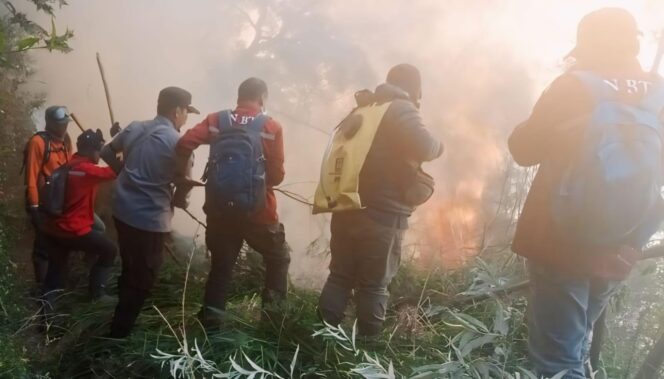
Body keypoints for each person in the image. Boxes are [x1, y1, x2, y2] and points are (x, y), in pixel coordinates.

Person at [508, 8, 664, 378]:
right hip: (623, 240)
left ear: (585, 44)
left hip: (560, 239)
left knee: (557, 360)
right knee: (577, 347)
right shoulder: (658, 93)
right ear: (633, 41)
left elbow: (523, 149)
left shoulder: (574, 86)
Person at [318, 64, 443, 336]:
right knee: (374, 285)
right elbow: (429, 147)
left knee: (339, 276)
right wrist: (441, 145)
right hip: (383, 215)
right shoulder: (401, 108)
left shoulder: (364, 109)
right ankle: (368, 353)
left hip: (346, 206)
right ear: (414, 88)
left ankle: (323, 339)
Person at [175, 77, 290, 327]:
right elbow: (277, 177)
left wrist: (182, 178)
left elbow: (184, 143)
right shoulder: (270, 127)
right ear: (261, 98)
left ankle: (211, 325)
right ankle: (272, 324)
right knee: (278, 259)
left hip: (219, 211)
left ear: (239, 98)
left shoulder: (217, 120)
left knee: (221, 267)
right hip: (259, 213)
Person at [101, 87, 199, 338]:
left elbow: (105, 151)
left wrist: (123, 171)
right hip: (149, 220)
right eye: (186, 112)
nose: (186, 118)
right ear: (176, 110)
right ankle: (119, 334)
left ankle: (120, 312)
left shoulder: (136, 127)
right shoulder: (180, 145)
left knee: (130, 264)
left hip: (122, 211)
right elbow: (182, 191)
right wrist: (180, 199)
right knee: (144, 278)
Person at [41, 129, 117, 307]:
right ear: (92, 151)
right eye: (99, 151)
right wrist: (117, 145)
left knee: (55, 271)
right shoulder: (86, 170)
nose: (99, 155)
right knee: (110, 250)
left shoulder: (69, 165)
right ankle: (97, 294)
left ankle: (46, 311)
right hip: (73, 230)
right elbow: (115, 171)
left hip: (54, 226)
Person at [23, 106, 73, 284]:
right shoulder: (38, 143)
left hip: (61, 203)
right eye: (60, 124)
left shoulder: (66, 142)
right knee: (42, 247)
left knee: (59, 243)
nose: (64, 127)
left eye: (66, 123)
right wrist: (34, 208)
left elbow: (70, 169)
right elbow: (31, 177)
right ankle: (42, 291)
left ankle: (57, 284)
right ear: (49, 123)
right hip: (43, 204)